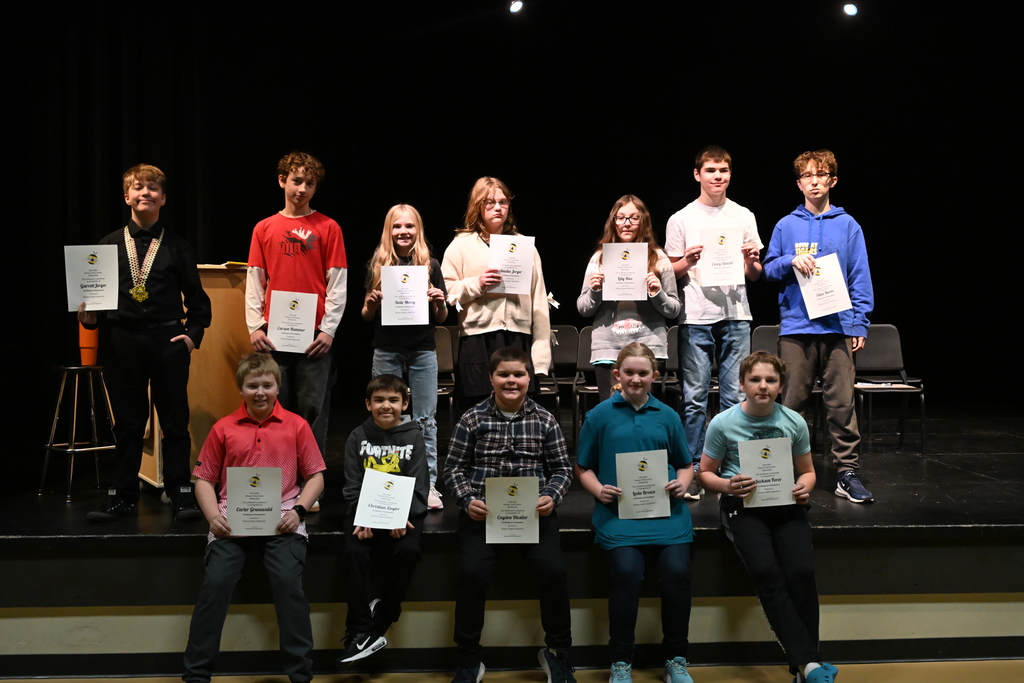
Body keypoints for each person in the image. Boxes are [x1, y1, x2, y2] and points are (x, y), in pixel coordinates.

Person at [79, 163, 212, 522]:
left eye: (153, 188)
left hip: (168, 340)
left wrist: (191, 338)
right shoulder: (106, 246)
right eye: (138, 188)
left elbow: (199, 303)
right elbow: (95, 305)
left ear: (163, 198)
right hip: (121, 340)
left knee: (175, 421)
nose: (145, 193)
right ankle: (123, 496)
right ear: (127, 197)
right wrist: (89, 319)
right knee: (128, 424)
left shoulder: (178, 247)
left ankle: (180, 491)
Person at [182, 354, 325, 683]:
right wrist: (212, 518)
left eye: (267, 385)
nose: (260, 392)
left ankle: (301, 676)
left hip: (283, 520)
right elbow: (203, 480)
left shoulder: (297, 425)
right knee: (215, 586)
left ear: (278, 387)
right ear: (241, 390)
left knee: (289, 587)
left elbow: (316, 476)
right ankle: (196, 676)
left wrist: (299, 511)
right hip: (230, 523)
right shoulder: (223, 428)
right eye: (252, 386)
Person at [699, 351, 838, 683]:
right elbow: (704, 473)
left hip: (784, 504)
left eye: (771, 380)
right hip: (742, 506)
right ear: (741, 384)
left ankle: (805, 666)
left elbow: (807, 472)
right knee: (766, 573)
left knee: (802, 573)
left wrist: (804, 488)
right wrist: (727, 485)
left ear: (781, 385)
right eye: (755, 379)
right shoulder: (723, 423)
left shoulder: (793, 422)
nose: (763, 386)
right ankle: (810, 664)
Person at [443, 347, 575, 683]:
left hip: (534, 516)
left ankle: (558, 654)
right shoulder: (472, 418)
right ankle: (468, 659)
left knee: (554, 572)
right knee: (471, 574)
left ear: (529, 378)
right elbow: (453, 469)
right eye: (504, 374)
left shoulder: (544, 419)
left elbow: (562, 469)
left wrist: (551, 496)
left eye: (518, 374)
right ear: (491, 378)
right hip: (483, 516)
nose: (511, 381)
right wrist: (467, 500)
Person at [576, 342, 695, 683]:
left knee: (677, 574)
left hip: (667, 517)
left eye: (643, 373)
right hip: (619, 517)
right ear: (617, 374)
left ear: (654, 376)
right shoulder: (599, 416)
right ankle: (620, 661)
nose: (636, 379)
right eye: (629, 372)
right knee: (627, 574)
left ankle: (676, 660)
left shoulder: (668, 416)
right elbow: (583, 467)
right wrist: (598, 490)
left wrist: (682, 484)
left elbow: (685, 464)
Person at [762, 149, 874, 503]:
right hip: (797, 328)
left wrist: (859, 323)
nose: (814, 181)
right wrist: (790, 260)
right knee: (790, 404)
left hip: (837, 327)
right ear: (799, 184)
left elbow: (859, 275)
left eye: (820, 175)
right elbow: (767, 269)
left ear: (832, 181)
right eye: (807, 176)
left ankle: (846, 472)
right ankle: (782, 470)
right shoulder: (786, 225)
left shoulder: (848, 225)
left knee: (841, 405)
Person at [664, 145, 763, 501]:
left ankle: (731, 470)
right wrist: (687, 263)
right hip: (696, 316)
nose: (717, 176)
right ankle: (693, 469)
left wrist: (751, 261)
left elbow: (755, 274)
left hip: (736, 315)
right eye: (711, 170)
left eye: (723, 170)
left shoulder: (743, 215)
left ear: (730, 175)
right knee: (694, 398)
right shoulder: (681, 218)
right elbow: (669, 272)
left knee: (735, 396)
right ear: (697, 174)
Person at [246, 151, 347, 459]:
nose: (302, 189)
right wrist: (255, 326)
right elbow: (255, 280)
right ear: (282, 181)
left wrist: (328, 330)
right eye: (297, 181)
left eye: (310, 183)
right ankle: (279, 476)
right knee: (274, 408)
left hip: (314, 338)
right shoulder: (264, 228)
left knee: (313, 410)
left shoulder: (329, 227)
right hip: (274, 337)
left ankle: (310, 478)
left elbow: (337, 282)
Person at [337, 374, 429, 667]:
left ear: (405, 404)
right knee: (353, 552)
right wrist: (364, 516)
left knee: (409, 550)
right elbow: (352, 485)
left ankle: (381, 618)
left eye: (393, 400)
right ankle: (361, 628)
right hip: (364, 512)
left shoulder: (414, 437)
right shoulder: (357, 436)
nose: (386, 406)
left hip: (403, 514)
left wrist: (400, 516)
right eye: (378, 400)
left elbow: (419, 484)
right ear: (368, 404)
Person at [361, 204, 448, 509]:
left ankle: (428, 483)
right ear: (389, 231)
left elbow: (441, 316)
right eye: (397, 226)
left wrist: (439, 301)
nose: (403, 231)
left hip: (422, 348)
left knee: (425, 419)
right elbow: (366, 315)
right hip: (387, 348)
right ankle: (388, 481)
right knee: (386, 413)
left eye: (409, 226)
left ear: (418, 230)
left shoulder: (430, 266)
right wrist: (371, 303)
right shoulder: (378, 265)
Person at [441, 177, 551, 398]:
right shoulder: (461, 244)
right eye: (489, 202)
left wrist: (540, 358)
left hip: (518, 337)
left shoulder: (524, 246)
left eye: (503, 202)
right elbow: (446, 293)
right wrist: (477, 284)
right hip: (477, 338)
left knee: (517, 405)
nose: (498, 207)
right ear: (477, 205)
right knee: (479, 405)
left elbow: (539, 299)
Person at [577, 195, 680, 400]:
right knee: (611, 413)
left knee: (646, 413)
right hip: (608, 350)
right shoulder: (599, 258)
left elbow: (674, 309)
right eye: (621, 217)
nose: (627, 223)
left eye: (634, 217)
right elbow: (583, 308)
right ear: (613, 221)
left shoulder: (659, 258)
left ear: (643, 221)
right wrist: (595, 290)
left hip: (648, 349)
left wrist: (657, 293)